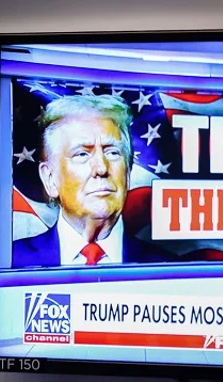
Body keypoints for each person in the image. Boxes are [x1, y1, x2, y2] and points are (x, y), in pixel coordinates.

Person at [12, 94, 174, 268]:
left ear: (128, 173)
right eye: (82, 154)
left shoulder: (167, 266)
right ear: (50, 179)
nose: (101, 169)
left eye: (112, 153)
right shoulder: (12, 261)